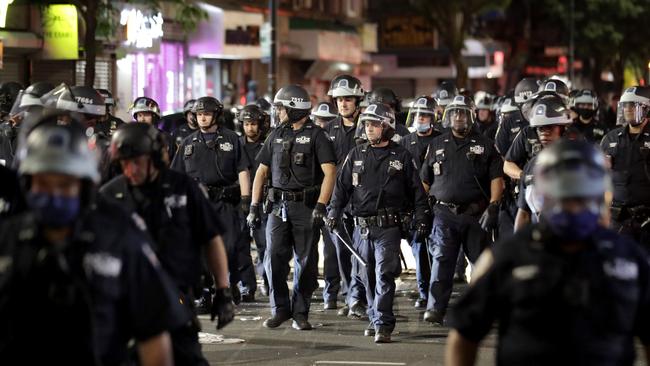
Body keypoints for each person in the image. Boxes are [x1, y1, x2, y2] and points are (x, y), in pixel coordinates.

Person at [446, 139, 650, 366]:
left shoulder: (629, 260)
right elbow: (465, 333)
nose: (573, 205)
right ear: (543, 193)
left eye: (582, 192)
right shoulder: (507, 256)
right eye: (564, 193)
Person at [0, 111, 177, 365]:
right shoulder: (7, 239)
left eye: (64, 184)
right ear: (27, 185)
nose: (53, 194)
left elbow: (153, 335)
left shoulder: (120, 238)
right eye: (43, 183)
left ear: (83, 188)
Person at [100, 122, 235, 365]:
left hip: (177, 297)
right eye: (124, 163)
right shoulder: (109, 196)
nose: (130, 169)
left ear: (154, 157)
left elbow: (211, 238)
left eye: (137, 161)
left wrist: (223, 290)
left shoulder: (184, 188)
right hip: (124, 301)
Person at [326, 102, 431, 343]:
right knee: (366, 275)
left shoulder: (401, 155)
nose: (369, 128)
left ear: (387, 126)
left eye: (374, 124)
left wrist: (422, 217)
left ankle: (383, 323)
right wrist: (333, 212)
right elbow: (341, 189)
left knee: (384, 273)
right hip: (361, 229)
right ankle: (375, 318)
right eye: (367, 124)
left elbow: (417, 192)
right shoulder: (356, 154)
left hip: (389, 228)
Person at [246, 84, 337, 330]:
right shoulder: (276, 135)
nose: (278, 112)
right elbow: (261, 172)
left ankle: (300, 312)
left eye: (281, 108)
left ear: (295, 109)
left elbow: (330, 173)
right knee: (272, 258)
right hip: (277, 208)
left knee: (306, 263)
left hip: (306, 208)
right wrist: (254, 206)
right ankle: (280, 309)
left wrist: (321, 205)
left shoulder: (318, 136)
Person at [420, 95, 504, 325]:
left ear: (471, 116)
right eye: (454, 112)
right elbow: (424, 181)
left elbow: (496, 178)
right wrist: (420, 209)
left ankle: (484, 307)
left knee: (482, 263)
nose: (458, 117)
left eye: (463, 112)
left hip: (476, 214)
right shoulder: (436, 144)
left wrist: (494, 205)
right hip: (443, 214)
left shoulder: (486, 144)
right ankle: (435, 309)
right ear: (448, 116)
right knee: (441, 261)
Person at [171, 96, 251, 303]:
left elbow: (243, 169)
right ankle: (206, 292)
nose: (202, 118)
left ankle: (231, 282)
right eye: (199, 115)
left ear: (216, 115)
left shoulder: (232, 138)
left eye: (206, 114)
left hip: (226, 202)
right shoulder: (188, 143)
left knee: (230, 247)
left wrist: (246, 199)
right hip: (197, 204)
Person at [324, 74, 369, 318]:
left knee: (363, 252)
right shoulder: (328, 130)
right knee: (342, 252)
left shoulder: (371, 126)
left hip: (365, 200)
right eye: (339, 100)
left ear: (358, 100)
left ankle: (360, 298)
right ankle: (350, 296)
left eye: (348, 99)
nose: (343, 104)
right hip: (338, 202)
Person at [401, 95, 441, 308]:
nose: (421, 118)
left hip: (437, 204)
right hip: (414, 205)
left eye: (425, 115)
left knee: (438, 251)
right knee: (419, 248)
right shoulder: (406, 143)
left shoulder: (442, 139)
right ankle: (425, 293)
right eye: (418, 114)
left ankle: (437, 294)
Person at [513, 95, 573, 230]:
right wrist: (516, 247)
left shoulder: (577, 162)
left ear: (563, 128)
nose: (544, 133)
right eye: (540, 128)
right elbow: (523, 214)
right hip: (539, 240)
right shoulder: (531, 166)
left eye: (550, 127)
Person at [601, 85, 650, 250]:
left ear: (647, 109)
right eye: (626, 105)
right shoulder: (611, 138)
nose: (628, 109)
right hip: (618, 220)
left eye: (633, 106)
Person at [236, 104, 270, 300]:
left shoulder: (268, 144)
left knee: (265, 245)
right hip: (241, 202)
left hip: (264, 203)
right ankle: (247, 286)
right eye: (247, 124)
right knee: (241, 246)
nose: (250, 128)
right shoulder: (236, 144)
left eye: (254, 124)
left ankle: (267, 280)